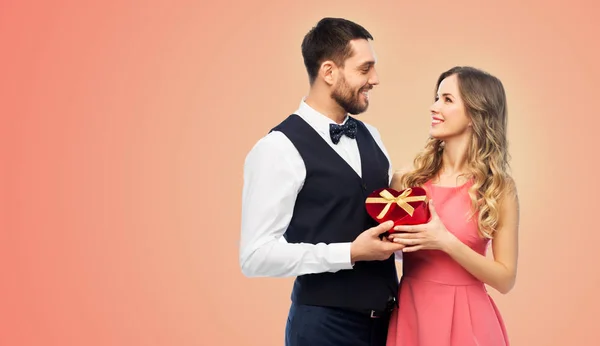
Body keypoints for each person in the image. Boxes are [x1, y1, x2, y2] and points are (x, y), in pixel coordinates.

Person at [239, 17, 406, 346]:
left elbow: (378, 225)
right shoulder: (277, 148)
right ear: (329, 72)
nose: (375, 79)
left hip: (390, 324)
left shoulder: (372, 136)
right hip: (324, 328)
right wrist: (349, 253)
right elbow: (254, 256)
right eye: (364, 69)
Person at [385, 66, 520, 346]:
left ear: (474, 114)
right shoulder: (406, 181)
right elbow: (393, 249)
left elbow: (505, 279)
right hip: (412, 315)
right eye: (436, 98)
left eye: (447, 100)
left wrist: (446, 241)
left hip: (471, 323)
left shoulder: (499, 189)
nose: (434, 107)